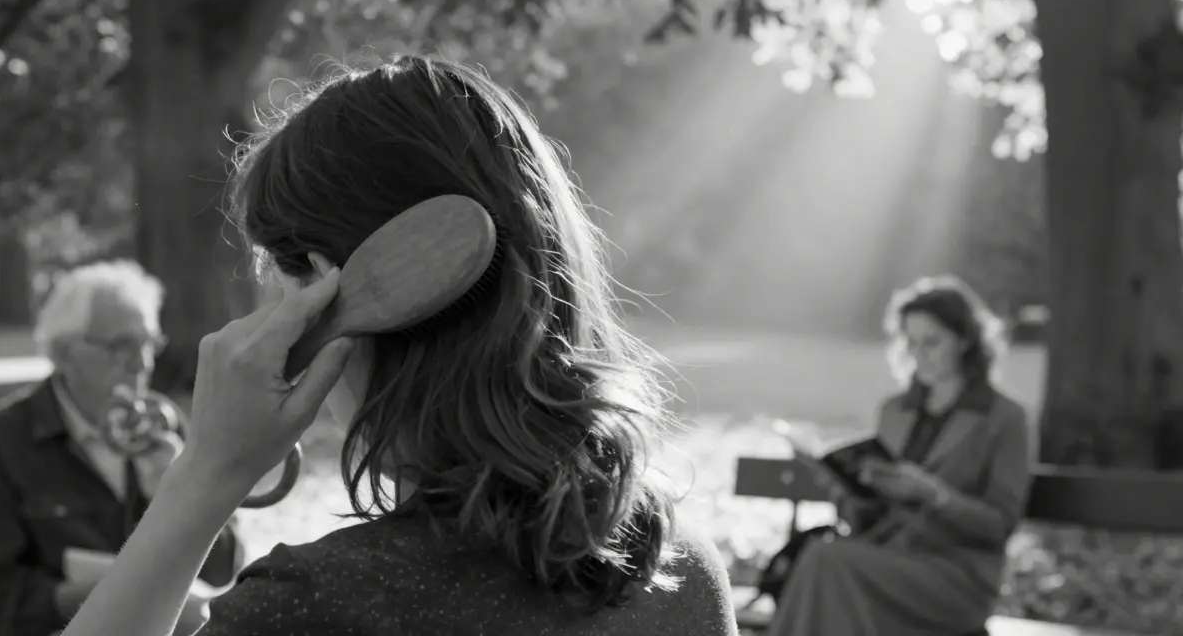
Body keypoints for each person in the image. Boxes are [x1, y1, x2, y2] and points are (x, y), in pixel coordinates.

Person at [58, 56, 739, 636]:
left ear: (328, 296)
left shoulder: (315, 605)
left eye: (280, 274)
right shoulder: (683, 572)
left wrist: (204, 475)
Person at [0, 261, 244, 636]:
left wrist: (181, 495)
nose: (141, 364)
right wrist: (94, 597)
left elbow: (224, 568)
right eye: (121, 346)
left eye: (149, 343)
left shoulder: (166, 427)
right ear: (63, 353)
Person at [768, 275, 1031, 636]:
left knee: (829, 562)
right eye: (911, 343)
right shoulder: (895, 410)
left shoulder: (1004, 419)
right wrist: (845, 490)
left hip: (955, 575)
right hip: (885, 557)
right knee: (825, 558)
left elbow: (999, 526)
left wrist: (933, 495)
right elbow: (870, 520)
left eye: (932, 343)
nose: (919, 355)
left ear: (967, 340)